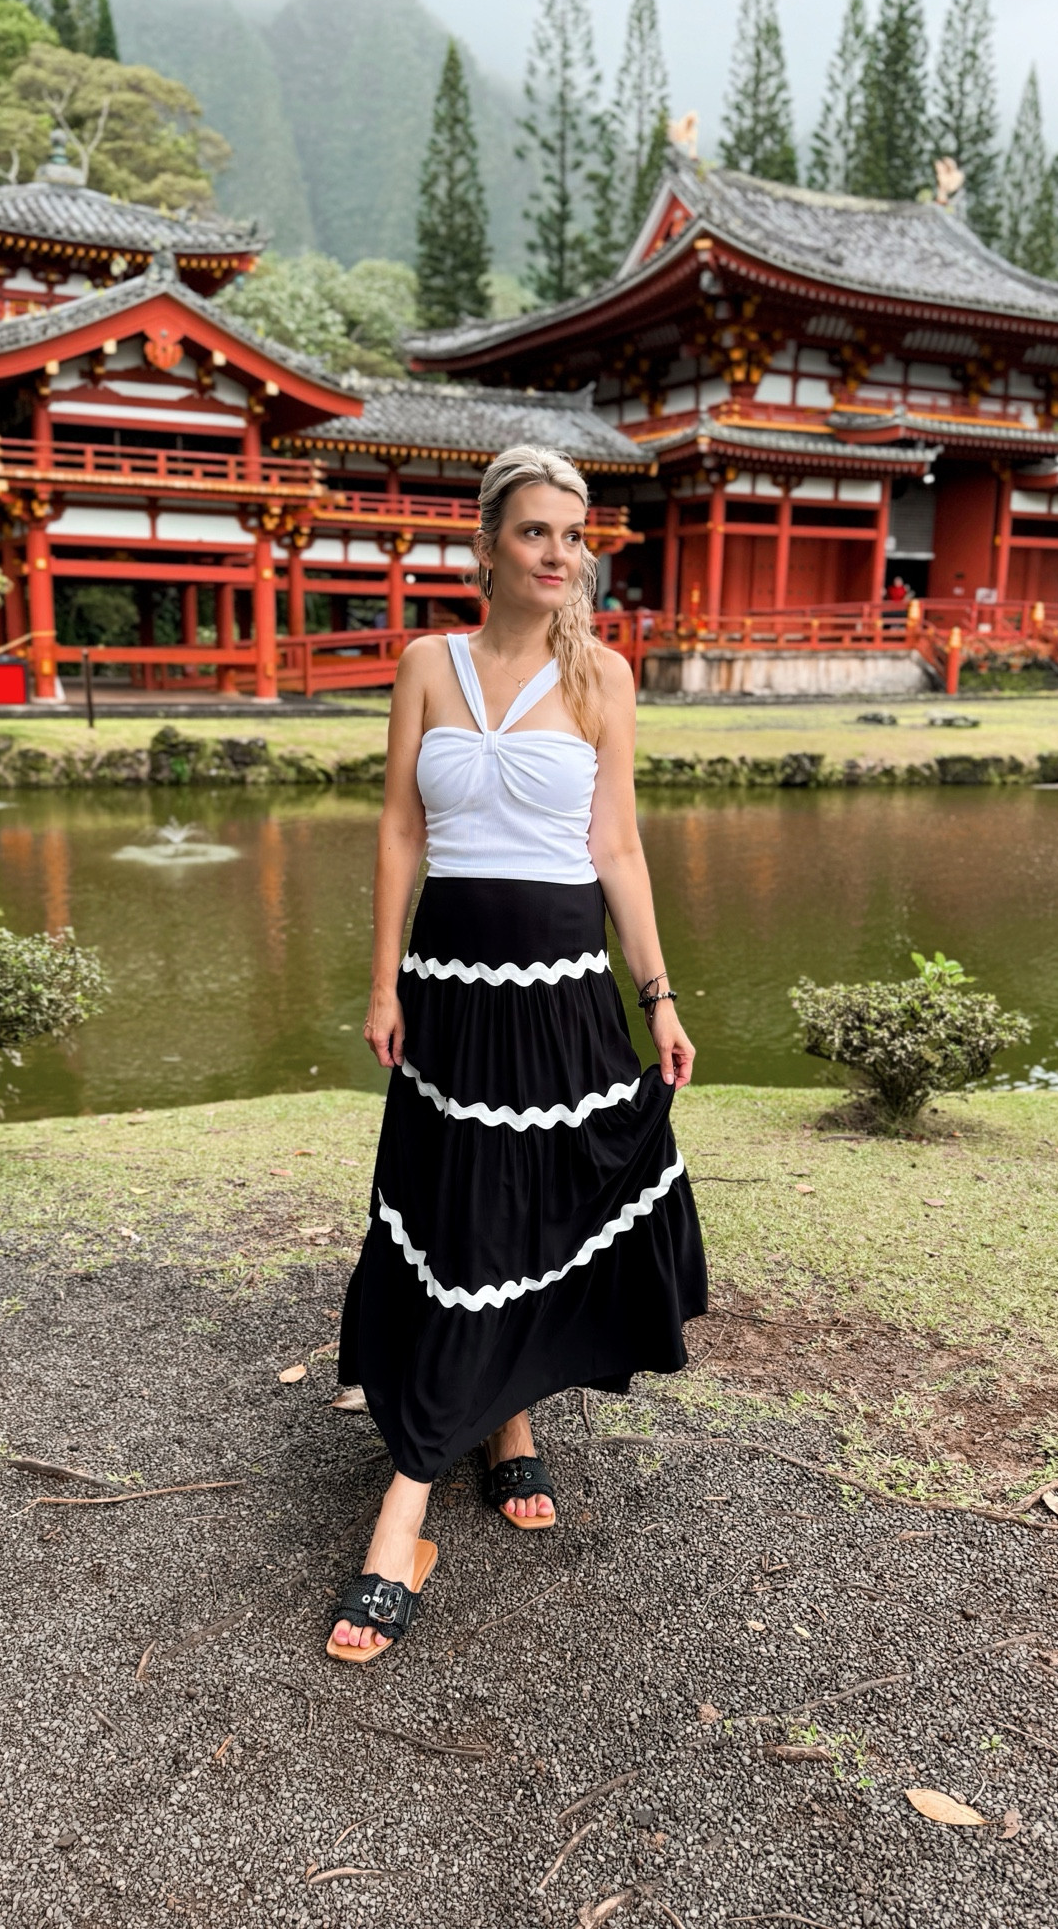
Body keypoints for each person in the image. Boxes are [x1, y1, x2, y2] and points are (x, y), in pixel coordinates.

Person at [329, 444, 707, 1663]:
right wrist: (382, 979)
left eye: (574, 533)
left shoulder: (603, 676)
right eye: (537, 530)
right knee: (460, 1218)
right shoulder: (424, 663)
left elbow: (618, 848)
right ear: (487, 543)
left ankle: (408, 1508)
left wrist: (657, 996)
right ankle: (494, 1426)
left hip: (558, 993)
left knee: (531, 1213)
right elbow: (399, 828)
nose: (559, 552)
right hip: (447, 992)